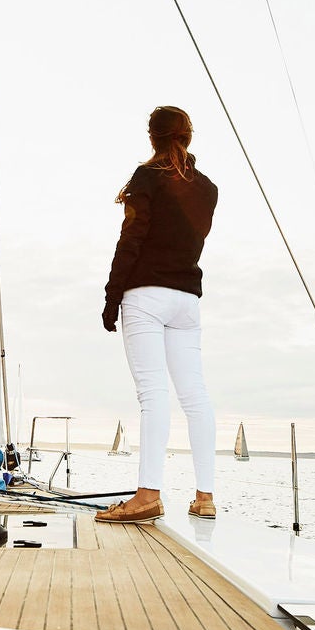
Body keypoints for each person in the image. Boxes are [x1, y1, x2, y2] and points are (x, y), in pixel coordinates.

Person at [97, 106, 219, 524]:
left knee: (153, 395)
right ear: (188, 136)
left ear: (152, 137)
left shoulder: (146, 178)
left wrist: (112, 296)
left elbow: (131, 239)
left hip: (146, 295)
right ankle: (205, 497)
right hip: (187, 300)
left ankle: (148, 495)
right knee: (195, 395)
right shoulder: (208, 189)